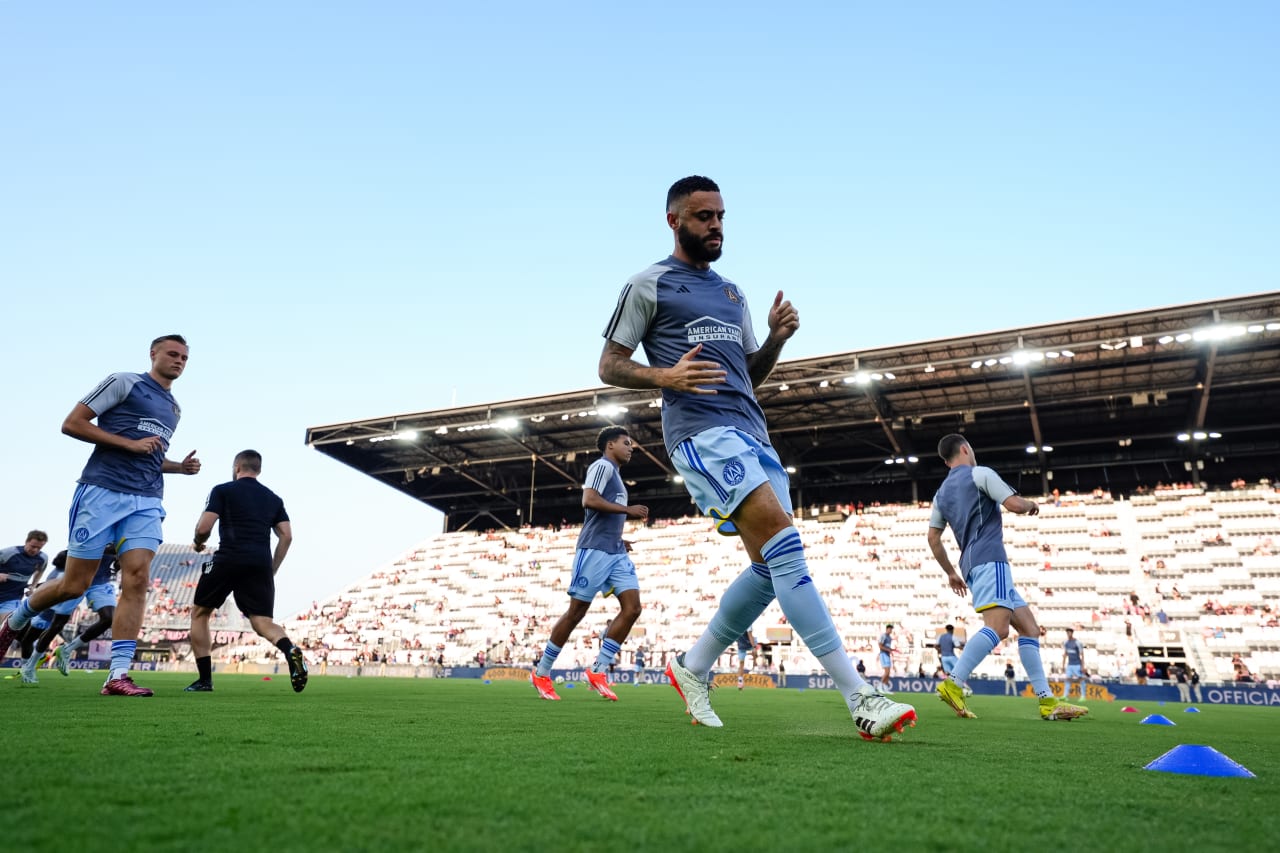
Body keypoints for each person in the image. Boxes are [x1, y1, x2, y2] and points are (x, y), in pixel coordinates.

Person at [597, 175, 916, 740]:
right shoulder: (648, 284)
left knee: (771, 569)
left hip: (753, 432)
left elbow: (752, 373)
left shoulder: (732, 294)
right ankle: (860, 696)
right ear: (674, 221)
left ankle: (692, 667)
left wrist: (775, 339)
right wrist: (665, 375)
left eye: (720, 216)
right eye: (702, 217)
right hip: (700, 431)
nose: (715, 225)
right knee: (787, 550)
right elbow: (610, 364)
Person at [0, 336, 200, 696]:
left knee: (137, 579)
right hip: (102, 491)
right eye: (173, 353)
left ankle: (117, 675)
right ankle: (14, 623)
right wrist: (129, 444)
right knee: (73, 585)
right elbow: (73, 423)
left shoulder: (174, 408)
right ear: (153, 354)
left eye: (185, 357)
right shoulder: (124, 382)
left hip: (147, 498)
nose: (179, 360)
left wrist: (178, 468)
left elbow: (150, 457)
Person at [926, 434, 1086, 721]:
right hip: (991, 559)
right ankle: (953, 682)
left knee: (1029, 628)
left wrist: (950, 572)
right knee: (998, 629)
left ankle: (1047, 701)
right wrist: (1031, 505)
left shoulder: (940, 494)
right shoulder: (980, 473)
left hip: (971, 564)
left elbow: (933, 538)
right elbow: (1013, 504)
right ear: (966, 449)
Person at [531, 427, 649, 702]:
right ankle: (542, 672)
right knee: (576, 613)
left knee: (633, 609)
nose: (631, 448)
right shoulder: (602, 466)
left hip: (615, 550)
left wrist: (621, 538)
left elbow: (605, 514)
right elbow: (589, 499)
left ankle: (598, 670)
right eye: (626, 443)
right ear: (610, 445)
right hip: (594, 549)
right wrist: (628, 511)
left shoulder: (616, 476)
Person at [186, 450, 305, 693]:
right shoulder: (273, 498)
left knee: (200, 613)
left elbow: (204, 526)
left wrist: (198, 542)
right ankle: (289, 649)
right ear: (257, 469)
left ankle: (205, 680)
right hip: (259, 562)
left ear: (237, 467)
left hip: (228, 557)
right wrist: (272, 568)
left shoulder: (223, 490)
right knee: (262, 623)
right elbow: (287, 536)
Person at [19, 545, 118, 683]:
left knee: (108, 619)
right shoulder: (100, 534)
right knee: (56, 626)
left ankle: (66, 650)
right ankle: (30, 665)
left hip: (100, 582)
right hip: (77, 581)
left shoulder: (125, 534)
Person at [1, 532, 51, 663]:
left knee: (6, 628)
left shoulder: (42, 558)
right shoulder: (8, 553)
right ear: (26, 541)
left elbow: (41, 571)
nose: (35, 550)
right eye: (33, 546)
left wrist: (33, 586)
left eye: (39, 548)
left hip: (12, 599)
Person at [1062, 628, 1087, 701]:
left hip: (1077, 664)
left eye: (1069, 633)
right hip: (1070, 664)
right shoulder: (1066, 642)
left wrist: (1082, 666)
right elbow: (1065, 653)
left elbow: (1082, 654)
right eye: (1067, 633)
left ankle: (1083, 696)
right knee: (1068, 680)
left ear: (1072, 633)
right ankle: (1065, 696)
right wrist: (1063, 665)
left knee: (1081, 679)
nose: (1068, 634)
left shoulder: (1077, 642)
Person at [878, 624, 896, 689]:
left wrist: (892, 650)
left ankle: (885, 688)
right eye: (890, 629)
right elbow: (880, 646)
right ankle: (880, 686)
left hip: (887, 655)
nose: (891, 630)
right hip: (883, 654)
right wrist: (888, 650)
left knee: (888, 672)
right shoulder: (883, 636)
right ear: (887, 629)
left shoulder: (890, 638)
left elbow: (888, 647)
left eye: (891, 629)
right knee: (887, 671)